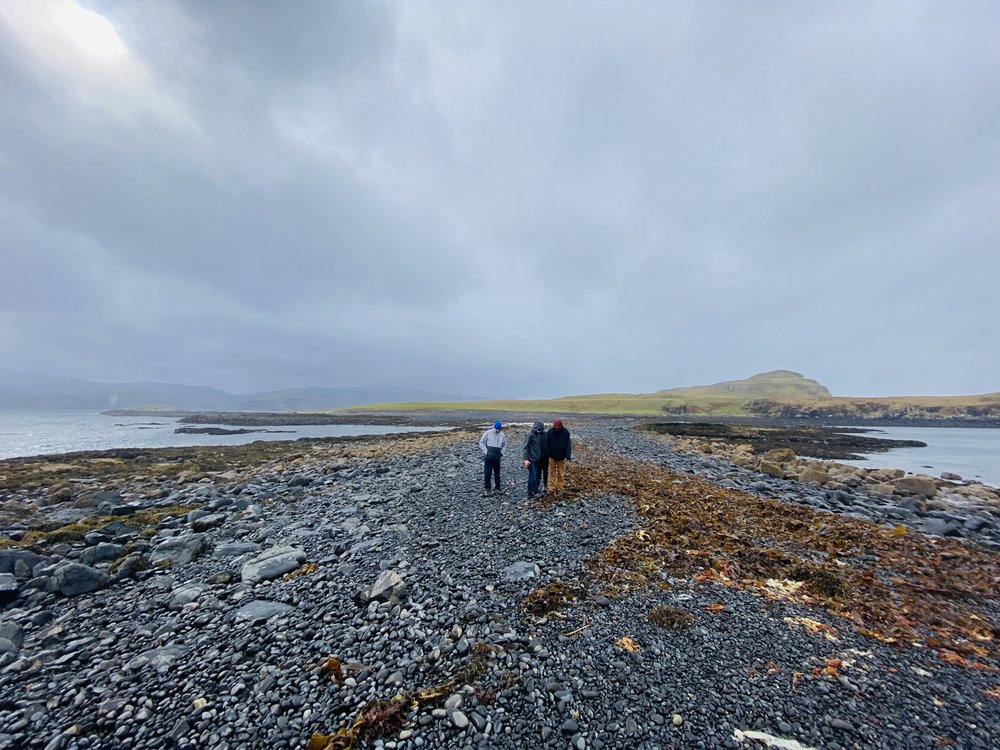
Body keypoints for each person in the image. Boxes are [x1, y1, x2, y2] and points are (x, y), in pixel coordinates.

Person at [479, 420, 507, 496]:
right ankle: (487, 489)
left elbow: (504, 445)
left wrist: (502, 453)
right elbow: (482, 442)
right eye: (497, 429)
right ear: (494, 428)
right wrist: (486, 452)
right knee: (488, 473)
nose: (498, 430)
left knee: (497, 473)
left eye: (500, 429)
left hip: (497, 457)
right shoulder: (488, 433)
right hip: (488, 457)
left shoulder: (502, 435)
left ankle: (498, 487)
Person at [545, 418, 572, 492]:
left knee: (561, 473)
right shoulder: (550, 432)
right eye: (555, 428)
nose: (556, 429)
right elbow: (547, 443)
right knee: (552, 472)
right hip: (552, 456)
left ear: (561, 427)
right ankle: (551, 487)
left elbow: (568, 445)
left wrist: (568, 455)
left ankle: (560, 487)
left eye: (558, 428)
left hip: (561, 457)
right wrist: (548, 453)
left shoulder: (566, 432)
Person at [522, 421, 545, 498]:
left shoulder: (538, 435)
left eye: (542, 430)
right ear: (537, 428)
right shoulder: (530, 434)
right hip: (530, 459)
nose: (541, 431)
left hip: (536, 459)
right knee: (533, 475)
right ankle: (535, 492)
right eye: (540, 429)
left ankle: (530, 491)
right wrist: (525, 459)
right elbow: (525, 447)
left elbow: (537, 448)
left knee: (532, 475)